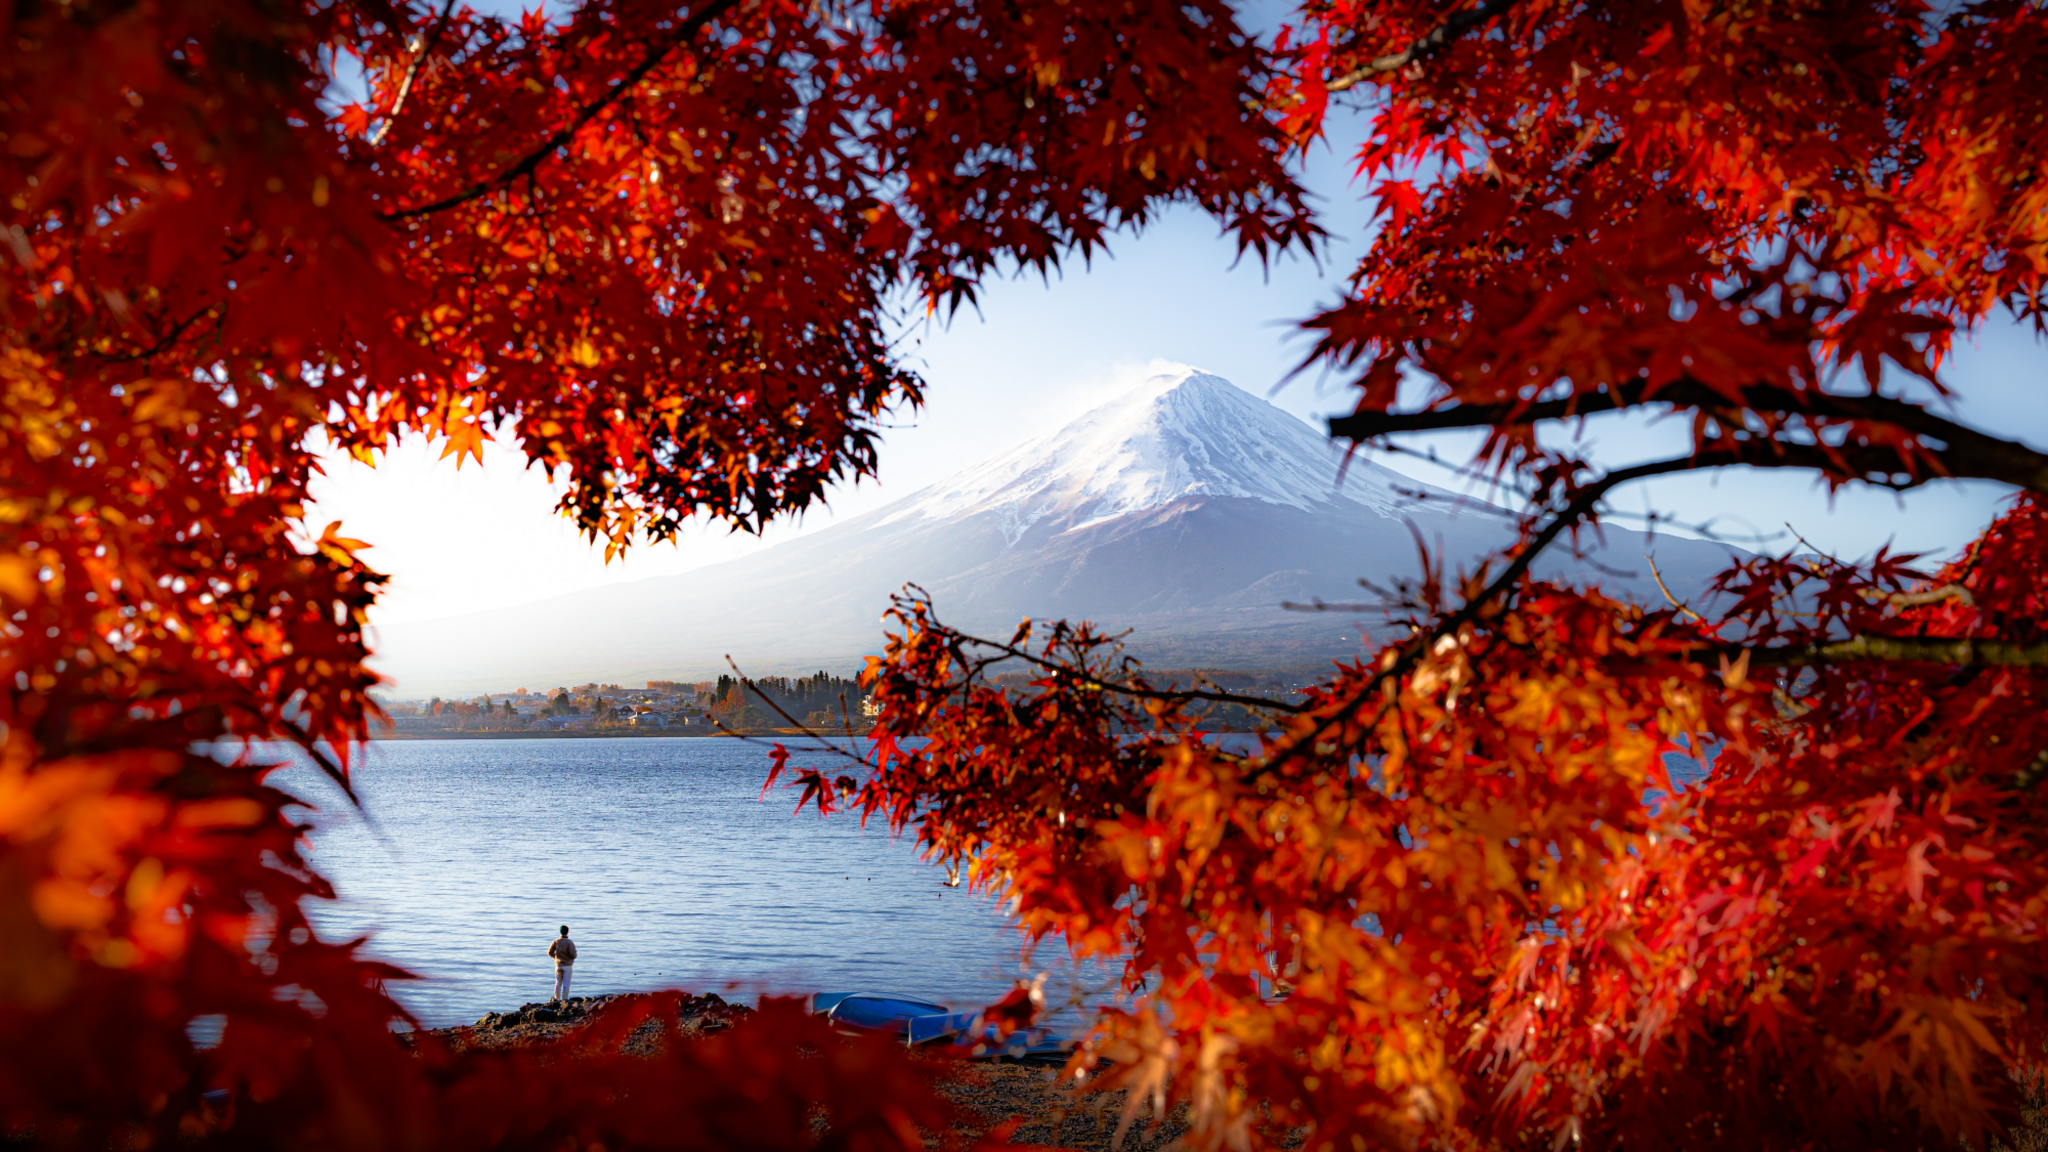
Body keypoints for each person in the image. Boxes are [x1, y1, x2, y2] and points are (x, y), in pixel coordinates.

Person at [547, 925, 577, 1003]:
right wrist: (570, 958)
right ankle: (564, 1000)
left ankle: (556, 999)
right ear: (567, 932)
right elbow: (573, 955)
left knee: (558, 983)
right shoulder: (569, 942)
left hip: (558, 965)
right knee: (566, 984)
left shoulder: (556, 941)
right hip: (567, 966)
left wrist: (556, 958)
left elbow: (549, 952)